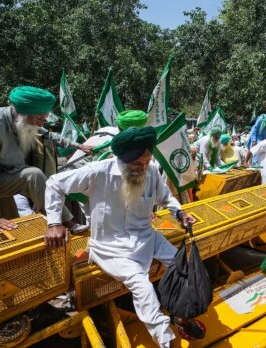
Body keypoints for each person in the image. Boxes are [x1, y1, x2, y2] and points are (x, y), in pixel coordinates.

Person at [44, 126, 203, 348]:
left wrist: (180, 213)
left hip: (147, 237)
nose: (143, 168)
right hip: (111, 247)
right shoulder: (98, 171)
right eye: (137, 164)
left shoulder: (151, 171)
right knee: (143, 287)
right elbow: (54, 183)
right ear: (122, 159)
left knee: (183, 268)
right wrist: (54, 222)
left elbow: (166, 198)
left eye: (146, 162)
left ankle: (182, 315)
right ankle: (167, 340)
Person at [0, 85, 80, 232]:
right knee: (33, 175)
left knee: (13, 229)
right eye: (40, 118)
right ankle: (63, 221)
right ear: (23, 113)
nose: (42, 122)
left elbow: (46, 133)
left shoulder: (22, 121)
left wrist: (78, 145)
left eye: (44, 118)